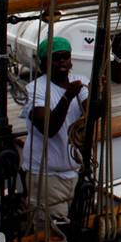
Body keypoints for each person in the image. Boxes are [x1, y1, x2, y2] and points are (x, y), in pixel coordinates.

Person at [21, 36, 88, 220]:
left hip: (74, 173)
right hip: (46, 177)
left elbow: (94, 113)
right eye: (55, 58)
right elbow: (49, 129)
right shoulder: (34, 89)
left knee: (75, 225)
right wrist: (67, 97)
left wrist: (101, 90)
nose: (62, 61)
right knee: (53, 231)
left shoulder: (80, 81)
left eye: (65, 56)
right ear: (44, 63)